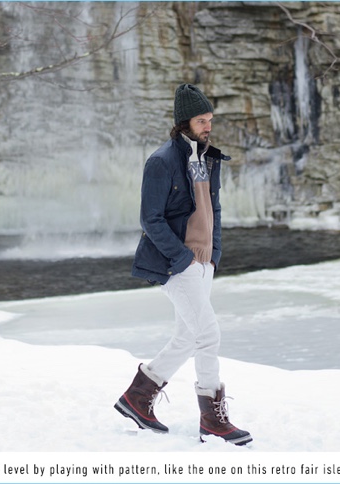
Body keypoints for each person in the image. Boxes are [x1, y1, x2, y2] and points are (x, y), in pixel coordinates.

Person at [114, 83, 252, 446]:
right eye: (202, 120)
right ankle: (213, 420)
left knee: (187, 337)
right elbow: (151, 219)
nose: (208, 126)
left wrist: (213, 255)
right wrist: (183, 258)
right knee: (209, 335)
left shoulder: (208, 158)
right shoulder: (161, 161)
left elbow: (214, 210)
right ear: (183, 123)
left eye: (210, 119)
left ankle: (137, 398)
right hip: (177, 265)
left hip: (203, 263)